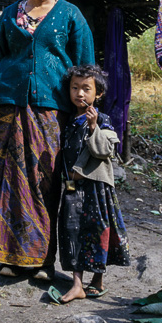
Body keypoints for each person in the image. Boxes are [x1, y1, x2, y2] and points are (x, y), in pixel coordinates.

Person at [0, 0, 95, 280]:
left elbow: (85, 66)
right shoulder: (9, 14)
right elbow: (4, 52)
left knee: (43, 180)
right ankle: (6, 255)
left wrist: (85, 107)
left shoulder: (70, 15)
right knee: (7, 178)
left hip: (51, 108)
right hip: (10, 105)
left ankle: (41, 260)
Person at [52, 64, 130, 304]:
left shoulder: (103, 120)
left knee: (98, 233)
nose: (80, 94)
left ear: (98, 94)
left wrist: (94, 126)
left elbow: (104, 149)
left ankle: (97, 279)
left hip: (96, 189)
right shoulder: (68, 121)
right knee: (72, 232)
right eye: (75, 88)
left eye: (86, 89)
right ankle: (77, 284)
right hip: (73, 189)